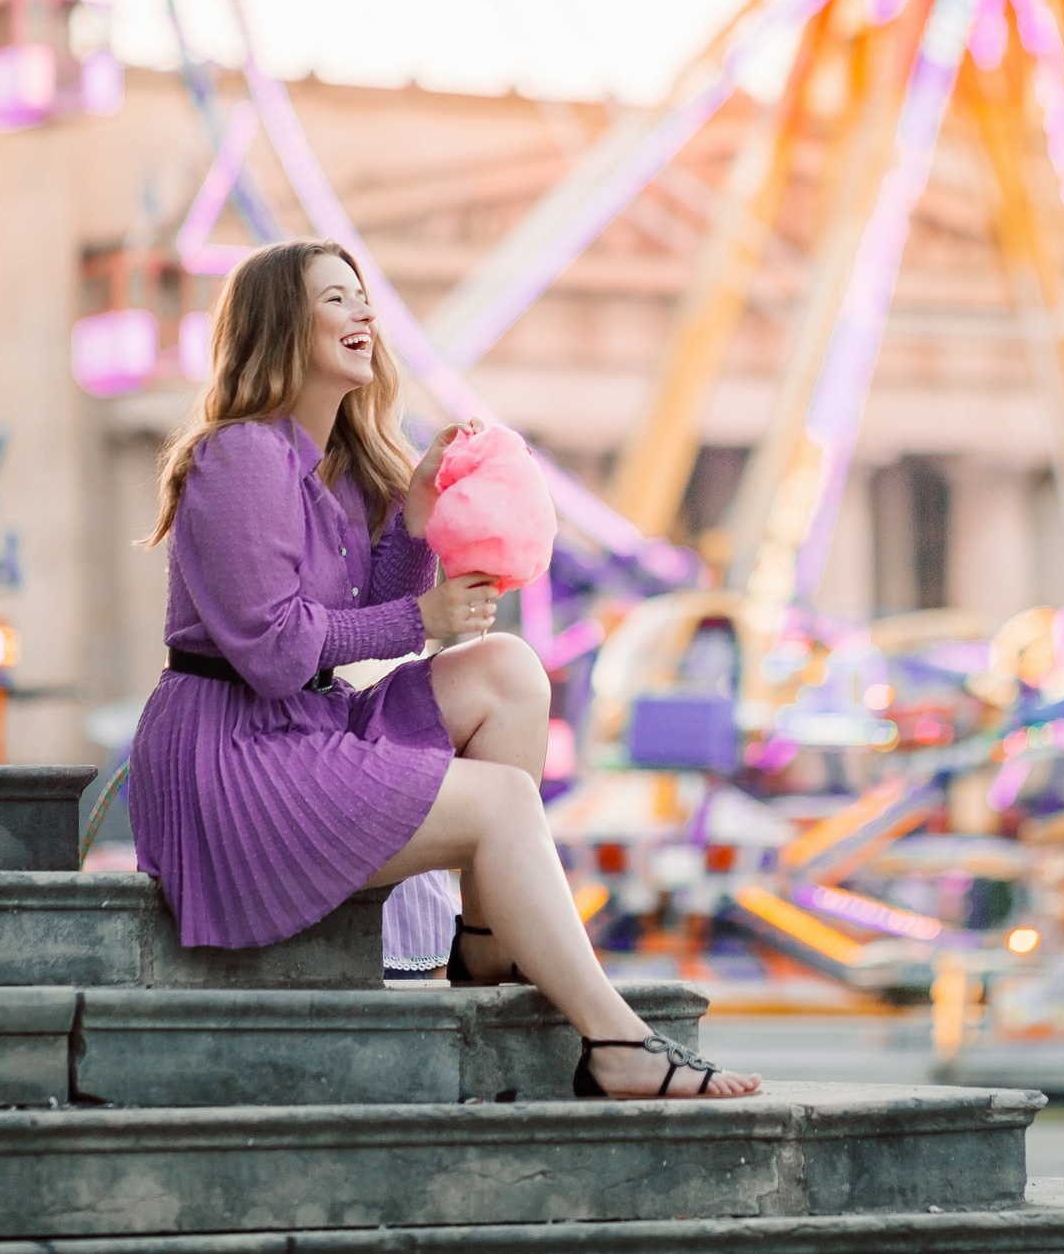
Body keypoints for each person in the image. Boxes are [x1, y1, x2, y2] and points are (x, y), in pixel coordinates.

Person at [128, 240, 758, 1100]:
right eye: (337, 299)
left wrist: (417, 516)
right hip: (230, 755)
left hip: (299, 724)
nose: (364, 314)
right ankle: (616, 1040)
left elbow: (375, 622)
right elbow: (275, 652)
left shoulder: (335, 468)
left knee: (507, 667)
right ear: (280, 321)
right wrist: (421, 614)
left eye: (364, 298)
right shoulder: (239, 456)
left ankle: (488, 936)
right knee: (503, 801)